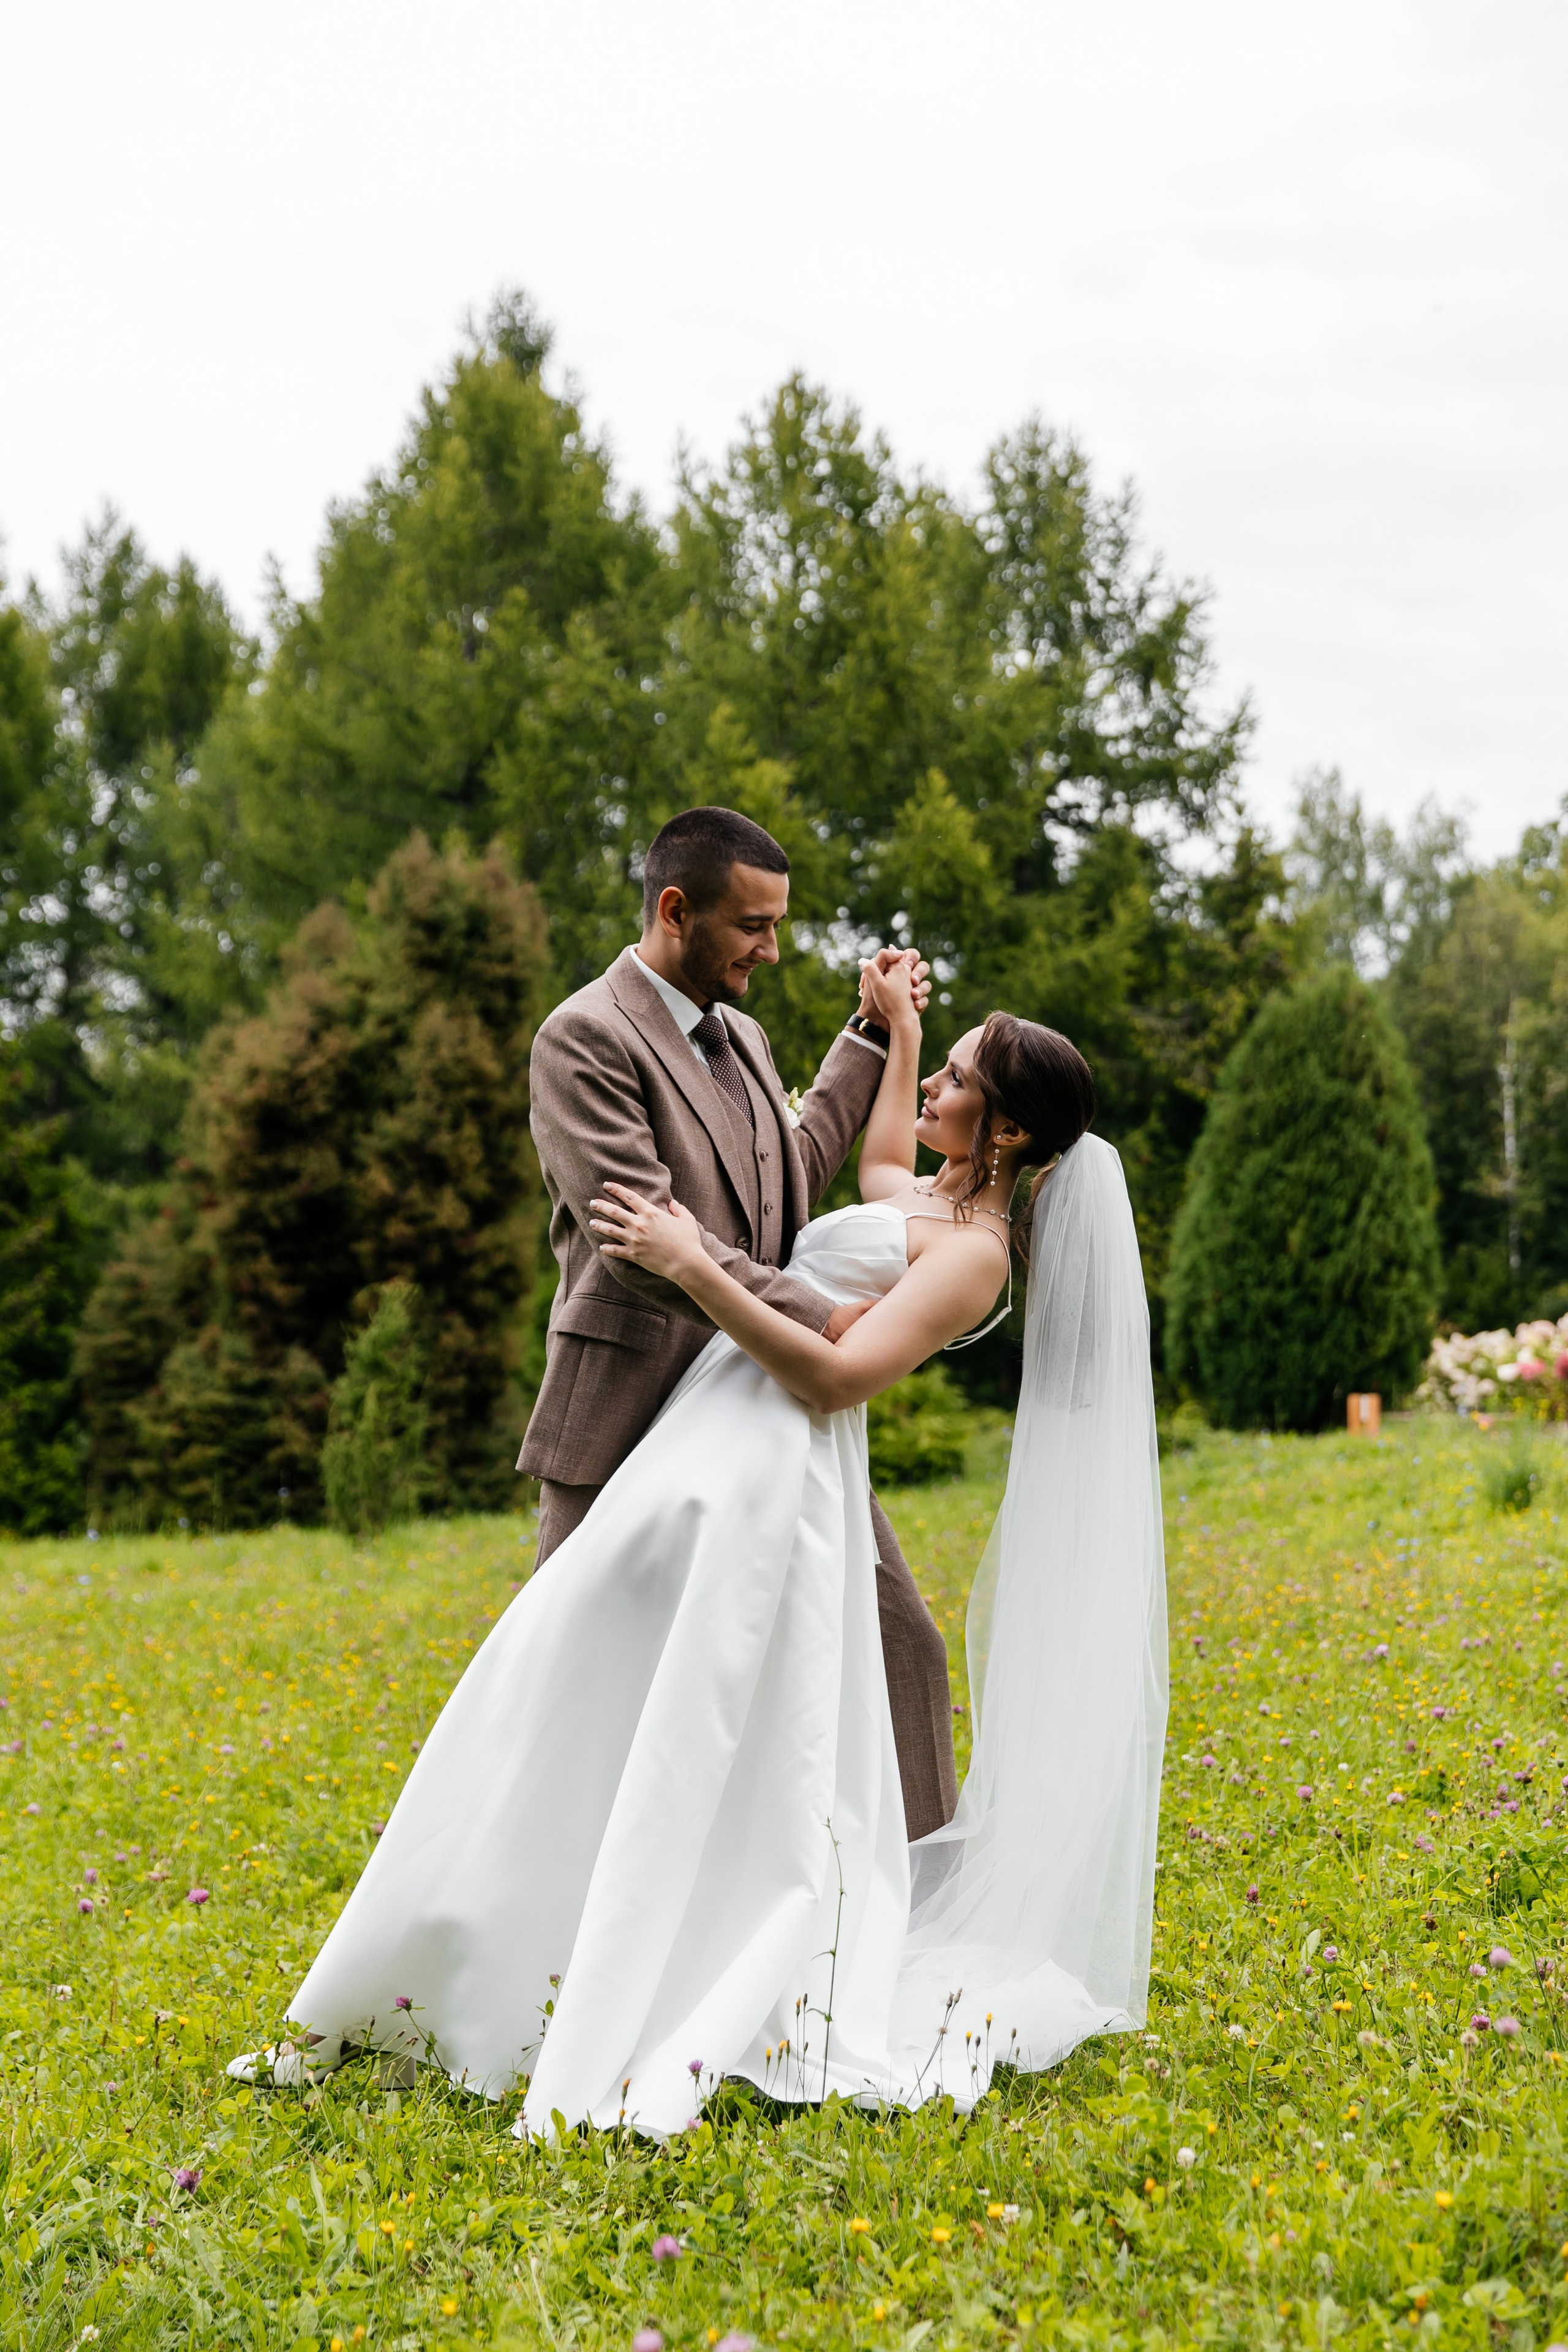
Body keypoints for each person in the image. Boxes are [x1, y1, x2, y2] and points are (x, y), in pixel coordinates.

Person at [230, 952, 1167, 2135]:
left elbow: (836, 1377)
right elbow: (882, 1158)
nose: (933, 1088)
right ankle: (478, 1942)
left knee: (709, 1710)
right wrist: (897, 1022)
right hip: (704, 1438)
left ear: (1012, 1132)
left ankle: (673, 1959)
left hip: (771, 1468)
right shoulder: (924, 1194)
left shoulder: (976, 1257)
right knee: (561, 1664)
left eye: (959, 1080)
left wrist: (692, 1267)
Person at [521, 804, 956, 1839]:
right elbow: (654, 1243)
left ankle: (935, 1915)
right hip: (629, 1412)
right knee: (559, 1695)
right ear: (677, 911)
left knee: (904, 1647)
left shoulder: (748, 1036)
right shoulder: (584, 1038)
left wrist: (871, 1033)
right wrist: (823, 1315)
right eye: (753, 926)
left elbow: (784, 1192)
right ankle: (498, 1946)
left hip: (761, 1403)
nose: (772, 948)